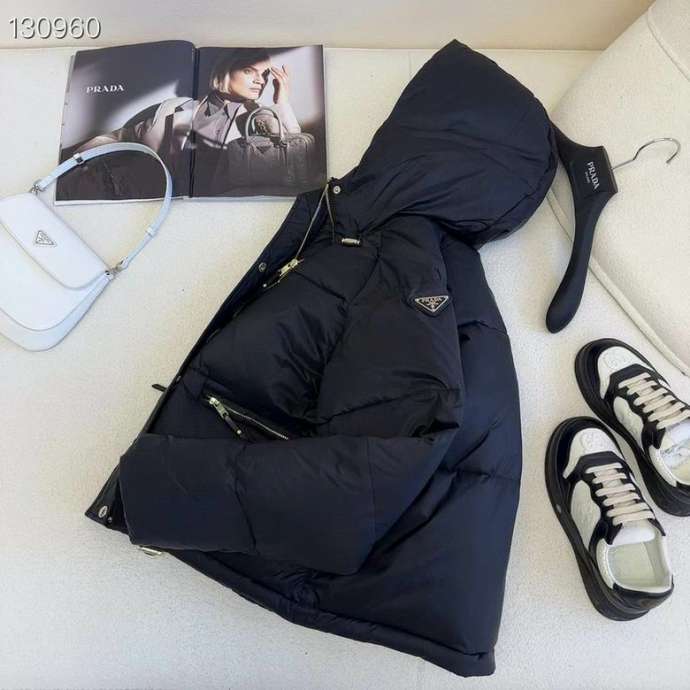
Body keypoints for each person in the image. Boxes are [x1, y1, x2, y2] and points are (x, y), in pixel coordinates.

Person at [73, 48, 303, 194]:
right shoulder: (175, 107)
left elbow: (293, 151)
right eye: (249, 71)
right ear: (226, 71)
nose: (260, 81)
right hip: (153, 204)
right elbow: (123, 137)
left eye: (264, 74)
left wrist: (281, 101)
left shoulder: (260, 117)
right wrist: (83, 160)